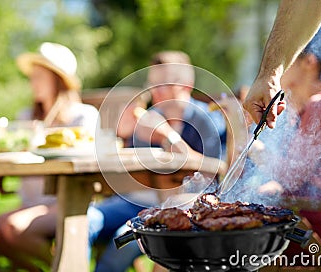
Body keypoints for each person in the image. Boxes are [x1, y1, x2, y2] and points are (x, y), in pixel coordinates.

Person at [242, 0, 321, 269]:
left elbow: (290, 175)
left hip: (308, 233)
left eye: (291, 58)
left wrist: (249, 146)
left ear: (308, 62)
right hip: (311, 222)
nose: (283, 66)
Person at [88, 50, 226, 272]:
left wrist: (168, 137)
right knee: (84, 221)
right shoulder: (150, 118)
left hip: (177, 205)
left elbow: (216, 172)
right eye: (152, 84)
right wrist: (122, 137)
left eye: (162, 84)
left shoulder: (209, 122)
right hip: (133, 200)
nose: (155, 92)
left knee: (121, 241)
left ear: (186, 85)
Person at [0, 42, 98, 271]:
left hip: (68, 201)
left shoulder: (83, 117)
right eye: (32, 77)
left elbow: (86, 158)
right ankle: (55, 266)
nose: (32, 83)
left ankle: (66, 266)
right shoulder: (26, 118)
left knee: (10, 226)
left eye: (39, 76)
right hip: (31, 202)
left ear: (58, 80)